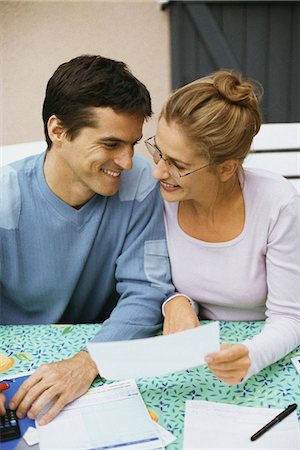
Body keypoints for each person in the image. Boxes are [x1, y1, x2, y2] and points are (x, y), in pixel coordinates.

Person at [0, 55, 178, 423]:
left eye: (132, 144)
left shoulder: (142, 185)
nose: (127, 161)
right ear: (58, 131)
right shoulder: (5, 195)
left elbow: (147, 290)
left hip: (98, 362)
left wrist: (87, 362)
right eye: (111, 144)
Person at [145, 69, 300, 385]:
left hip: (262, 353)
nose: (158, 172)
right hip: (191, 356)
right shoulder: (159, 199)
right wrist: (177, 301)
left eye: (178, 165)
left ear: (226, 168)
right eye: (158, 151)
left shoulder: (278, 205)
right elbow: (152, 279)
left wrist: (251, 354)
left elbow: (291, 318)